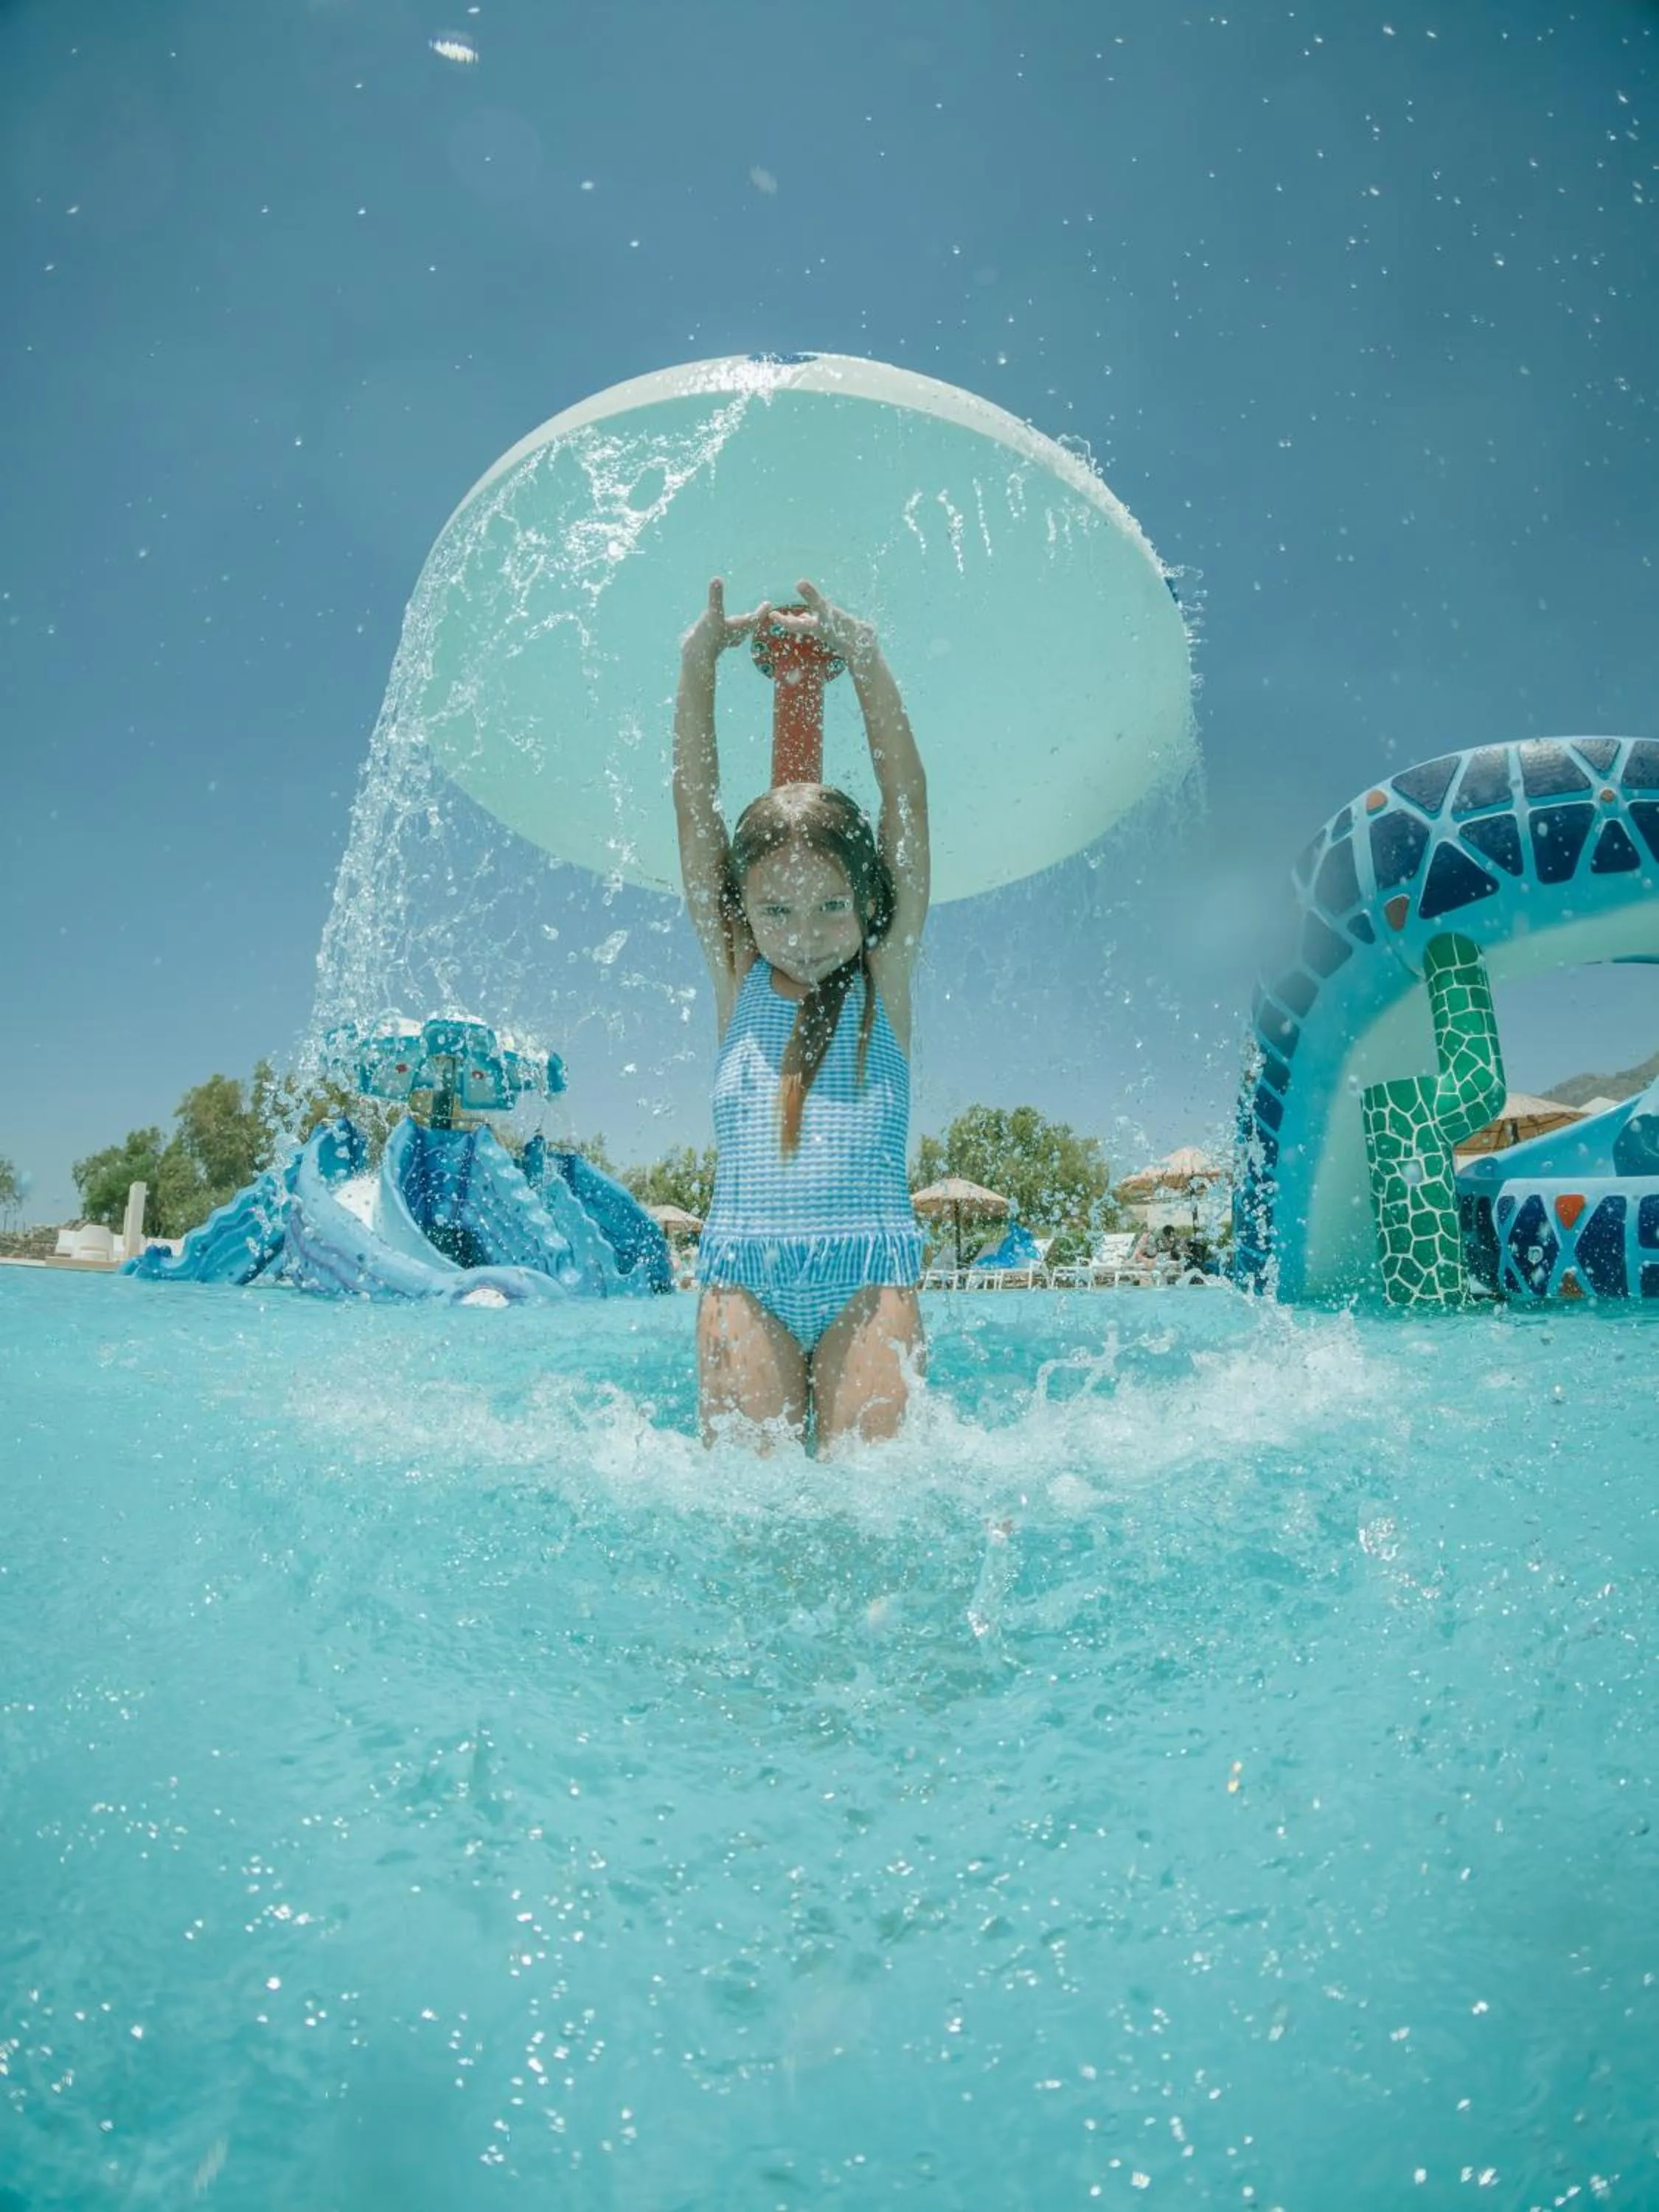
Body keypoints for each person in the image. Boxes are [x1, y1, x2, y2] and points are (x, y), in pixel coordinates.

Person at [673, 577, 930, 1451]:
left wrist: (866, 660)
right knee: (747, 1502)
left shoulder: (881, 980)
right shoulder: (739, 975)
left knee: (879, 1499)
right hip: (743, 1277)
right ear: (744, 913)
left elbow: (907, 804)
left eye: (831, 906)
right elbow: (696, 812)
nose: (807, 935)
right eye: (777, 912)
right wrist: (698, 666)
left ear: (869, 900)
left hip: (871, 1274)